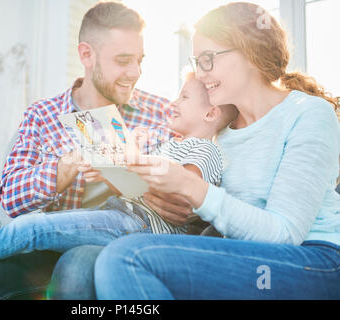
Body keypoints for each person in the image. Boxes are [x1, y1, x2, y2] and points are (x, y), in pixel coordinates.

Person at [0, 2, 192, 300]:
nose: (135, 72)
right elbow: (9, 199)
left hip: (110, 244)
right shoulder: (42, 115)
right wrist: (64, 169)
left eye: (140, 60)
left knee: (77, 266)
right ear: (86, 54)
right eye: (123, 60)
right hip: (42, 245)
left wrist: (164, 194)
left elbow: (187, 183)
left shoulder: (163, 113)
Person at [0, 72, 239, 296]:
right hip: (122, 216)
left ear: (210, 115)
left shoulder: (205, 149)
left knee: (29, 231)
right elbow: (141, 183)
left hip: (138, 228)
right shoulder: (172, 142)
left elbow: (187, 191)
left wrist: (132, 155)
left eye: (183, 98)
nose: (172, 103)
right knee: (27, 231)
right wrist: (106, 169)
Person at [94, 2, 340, 300]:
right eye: (196, 61)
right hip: (247, 252)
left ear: (251, 52)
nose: (200, 72)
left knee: (126, 258)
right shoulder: (219, 131)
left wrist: (189, 185)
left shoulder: (308, 114)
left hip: (315, 260)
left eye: (208, 59)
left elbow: (284, 234)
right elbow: (220, 210)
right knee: (85, 263)